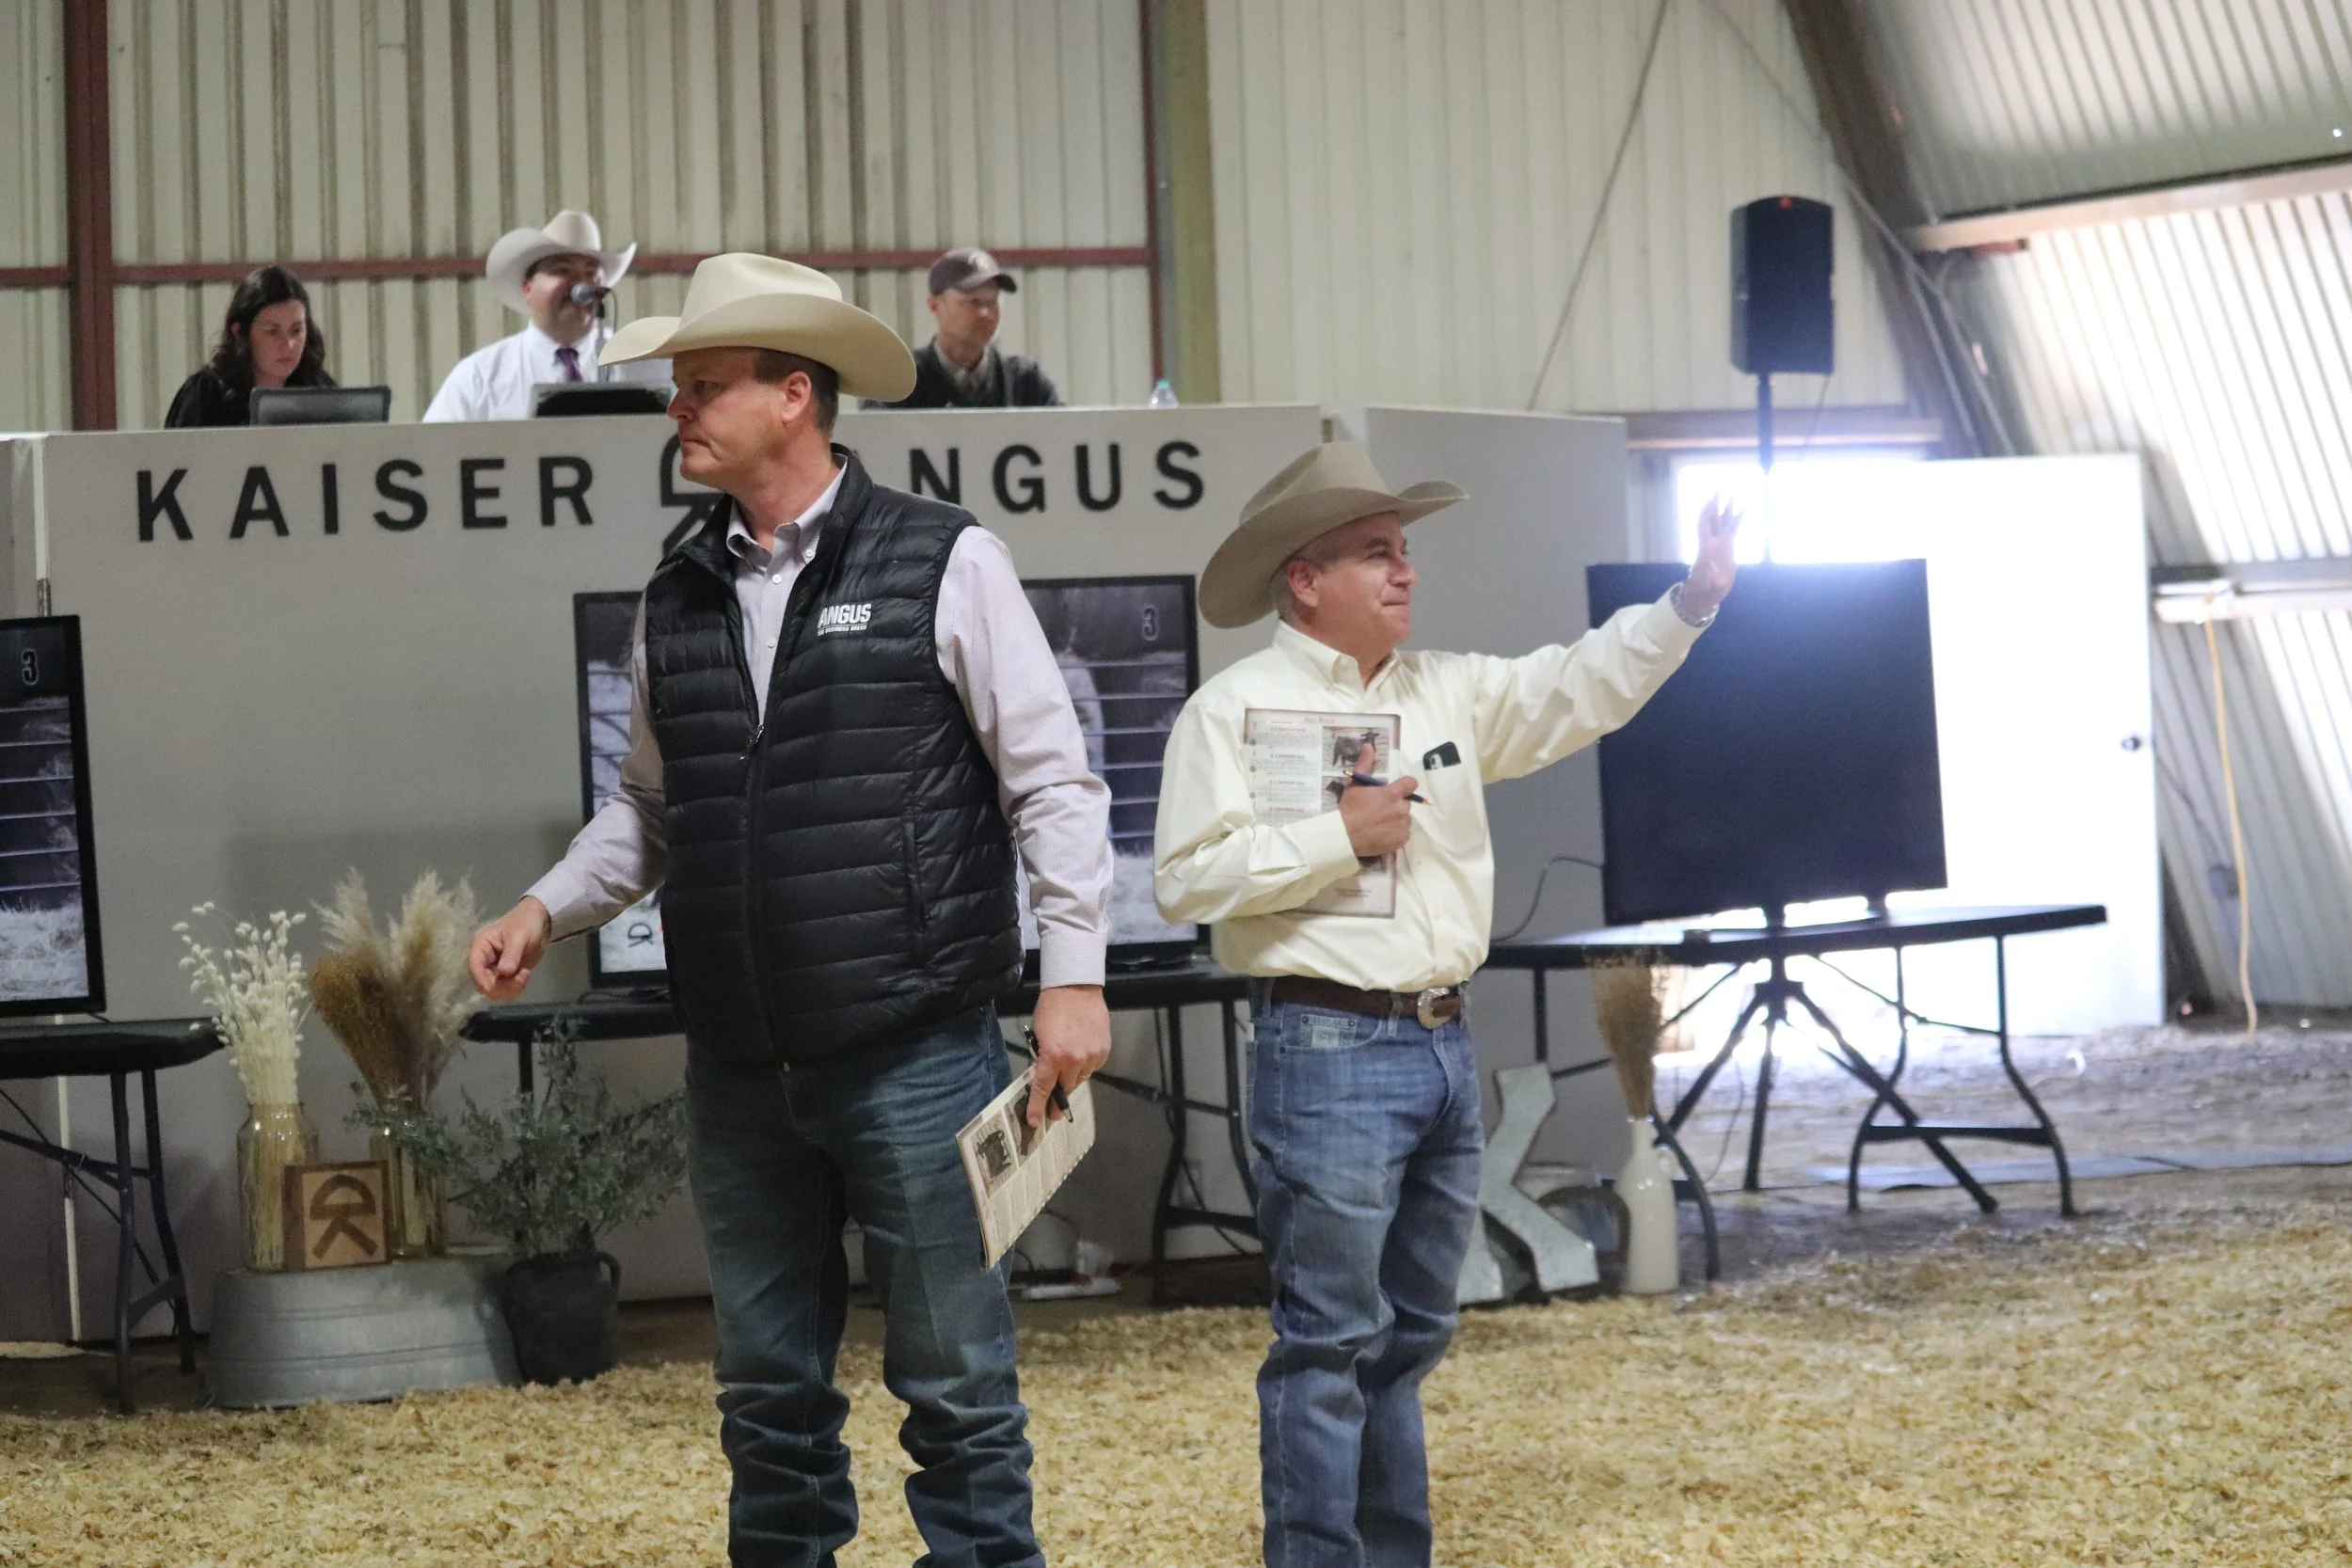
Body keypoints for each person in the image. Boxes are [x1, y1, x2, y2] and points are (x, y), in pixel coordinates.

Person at [466, 251, 1114, 1568]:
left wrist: (1075, 974)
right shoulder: (676, 590)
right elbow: (651, 806)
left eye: (707, 385)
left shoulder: (948, 558)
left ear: (796, 396)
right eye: (680, 385)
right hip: (740, 1071)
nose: (679, 409)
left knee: (961, 1398)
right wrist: (546, 905)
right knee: (768, 1403)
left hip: (922, 1053)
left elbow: (1052, 778)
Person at [1152, 440, 1740, 1568]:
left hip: (1434, 1039)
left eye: (1404, 551)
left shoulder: (1446, 689)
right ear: (1303, 578)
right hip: (1321, 1038)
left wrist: (1690, 602)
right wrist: (1340, 836)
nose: (1404, 571)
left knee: (1411, 1332)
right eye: (1375, 552)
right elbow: (1185, 877)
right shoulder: (1228, 710)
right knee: (1328, 1339)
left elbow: (1575, 686)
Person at [421, 209, 667, 421]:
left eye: (591, 273)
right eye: (563, 271)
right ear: (527, 289)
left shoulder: (645, 363)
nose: (581, 285)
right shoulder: (480, 378)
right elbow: (432, 451)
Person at [866, 246, 1064, 410]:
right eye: (973, 303)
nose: (986, 314)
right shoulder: (898, 383)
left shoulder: (1026, 382)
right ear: (935, 306)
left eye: (993, 303)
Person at [164, 265, 335, 428]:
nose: (289, 344)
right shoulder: (205, 394)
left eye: (297, 331)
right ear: (239, 333)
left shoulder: (321, 390)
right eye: (272, 332)